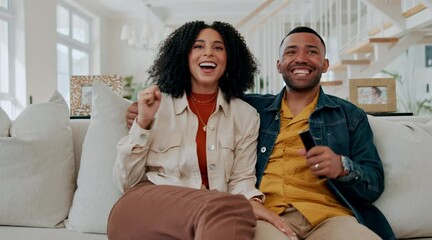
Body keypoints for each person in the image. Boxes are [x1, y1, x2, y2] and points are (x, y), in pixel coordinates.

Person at [125, 26, 395, 240]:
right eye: (291, 52)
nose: (300, 58)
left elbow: (374, 184)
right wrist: (139, 115)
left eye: (311, 52)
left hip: (329, 217)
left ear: (325, 64)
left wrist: (342, 167)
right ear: (279, 65)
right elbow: (207, 93)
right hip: (266, 215)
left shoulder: (349, 116)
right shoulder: (253, 109)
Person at [108, 20, 296, 240]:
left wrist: (253, 204)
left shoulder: (245, 115)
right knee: (231, 209)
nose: (208, 53)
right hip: (141, 208)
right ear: (184, 56)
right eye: (198, 47)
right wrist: (143, 122)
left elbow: (241, 180)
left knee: (231, 213)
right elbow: (126, 182)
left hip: (209, 216)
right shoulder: (157, 105)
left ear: (230, 59)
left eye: (218, 48)